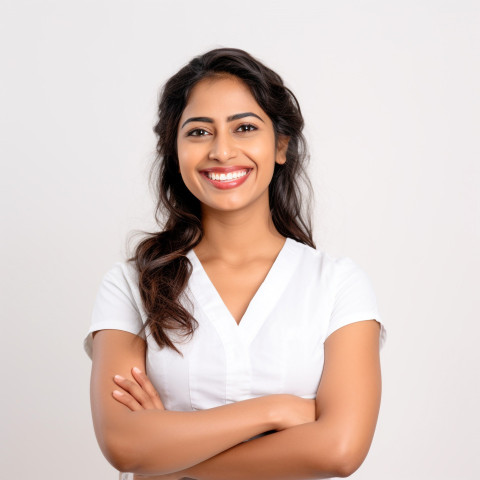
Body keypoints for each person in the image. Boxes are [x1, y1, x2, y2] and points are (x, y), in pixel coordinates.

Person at [84, 48, 386, 480]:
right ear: (174, 150)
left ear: (280, 145)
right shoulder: (132, 284)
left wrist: (169, 462)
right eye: (199, 132)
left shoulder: (337, 285)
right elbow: (123, 443)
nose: (222, 151)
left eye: (245, 128)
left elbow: (339, 449)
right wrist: (277, 410)